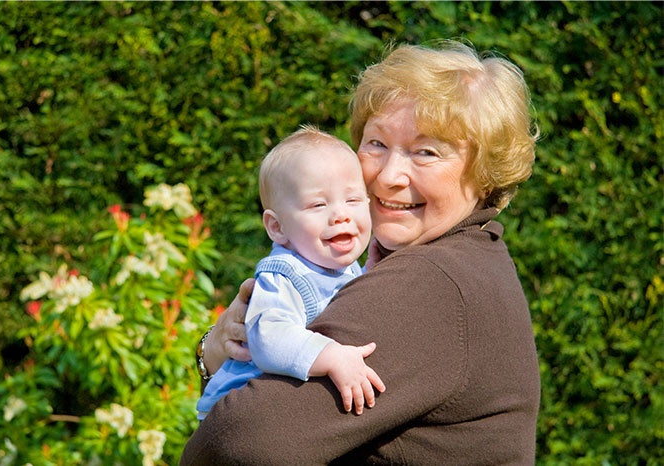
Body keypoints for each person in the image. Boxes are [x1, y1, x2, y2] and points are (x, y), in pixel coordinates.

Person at [182, 40, 541, 465]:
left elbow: (236, 444)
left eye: (426, 152)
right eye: (376, 144)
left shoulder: (429, 284)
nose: (388, 176)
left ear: (484, 175)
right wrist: (215, 351)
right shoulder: (465, 261)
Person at [196, 127, 385, 421]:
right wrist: (332, 356)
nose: (341, 215)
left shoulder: (334, 264)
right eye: (318, 204)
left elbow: (338, 297)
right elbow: (269, 338)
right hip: (236, 412)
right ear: (277, 227)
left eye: (353, 200)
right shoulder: (283, 276)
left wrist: (368, 272)